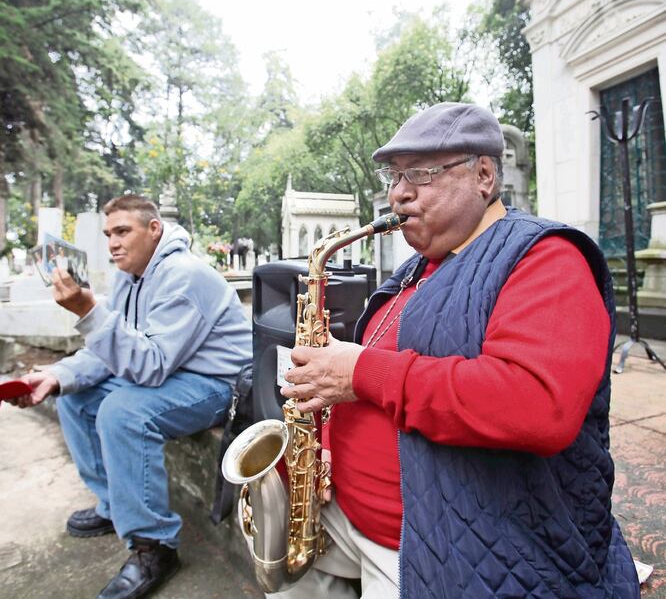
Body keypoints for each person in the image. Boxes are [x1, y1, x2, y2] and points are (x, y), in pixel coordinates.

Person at [276, 103, 640, 598]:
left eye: (420, 174)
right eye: (394, 175)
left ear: (485, 176)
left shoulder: (546, 257)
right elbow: (383, 371)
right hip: (341, 518)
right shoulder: (416, 268)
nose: (398, 191)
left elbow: (536, 404)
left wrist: (359, 373)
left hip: (436, 553)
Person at [12, 194, 252, 599]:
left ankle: (153, 547)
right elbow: (111, 351)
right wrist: (57, 374)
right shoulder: (130, 276)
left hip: (217, 385)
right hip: (174, 372)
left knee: (122, 412)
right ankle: (114, 505)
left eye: (123, 231)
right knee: (75, 396)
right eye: (108, 234)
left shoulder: (183, 274)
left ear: (153, 229)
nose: (112, 243)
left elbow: (150, 365)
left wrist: (88, 311)